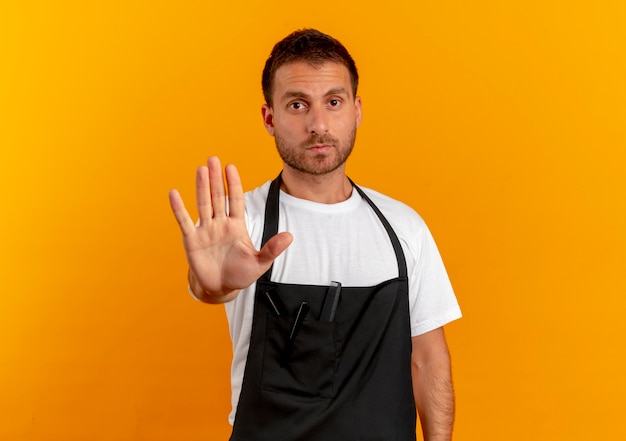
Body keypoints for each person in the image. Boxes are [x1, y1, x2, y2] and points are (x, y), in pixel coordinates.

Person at [169, 28, 461, 441]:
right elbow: (208, 286)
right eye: (297, 104)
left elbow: (429, 360)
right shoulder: (241, 224)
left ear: (356, 111)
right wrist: (212, 287)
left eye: (334, 102)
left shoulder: (404, 228)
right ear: (270, 118)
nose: (318, 124)